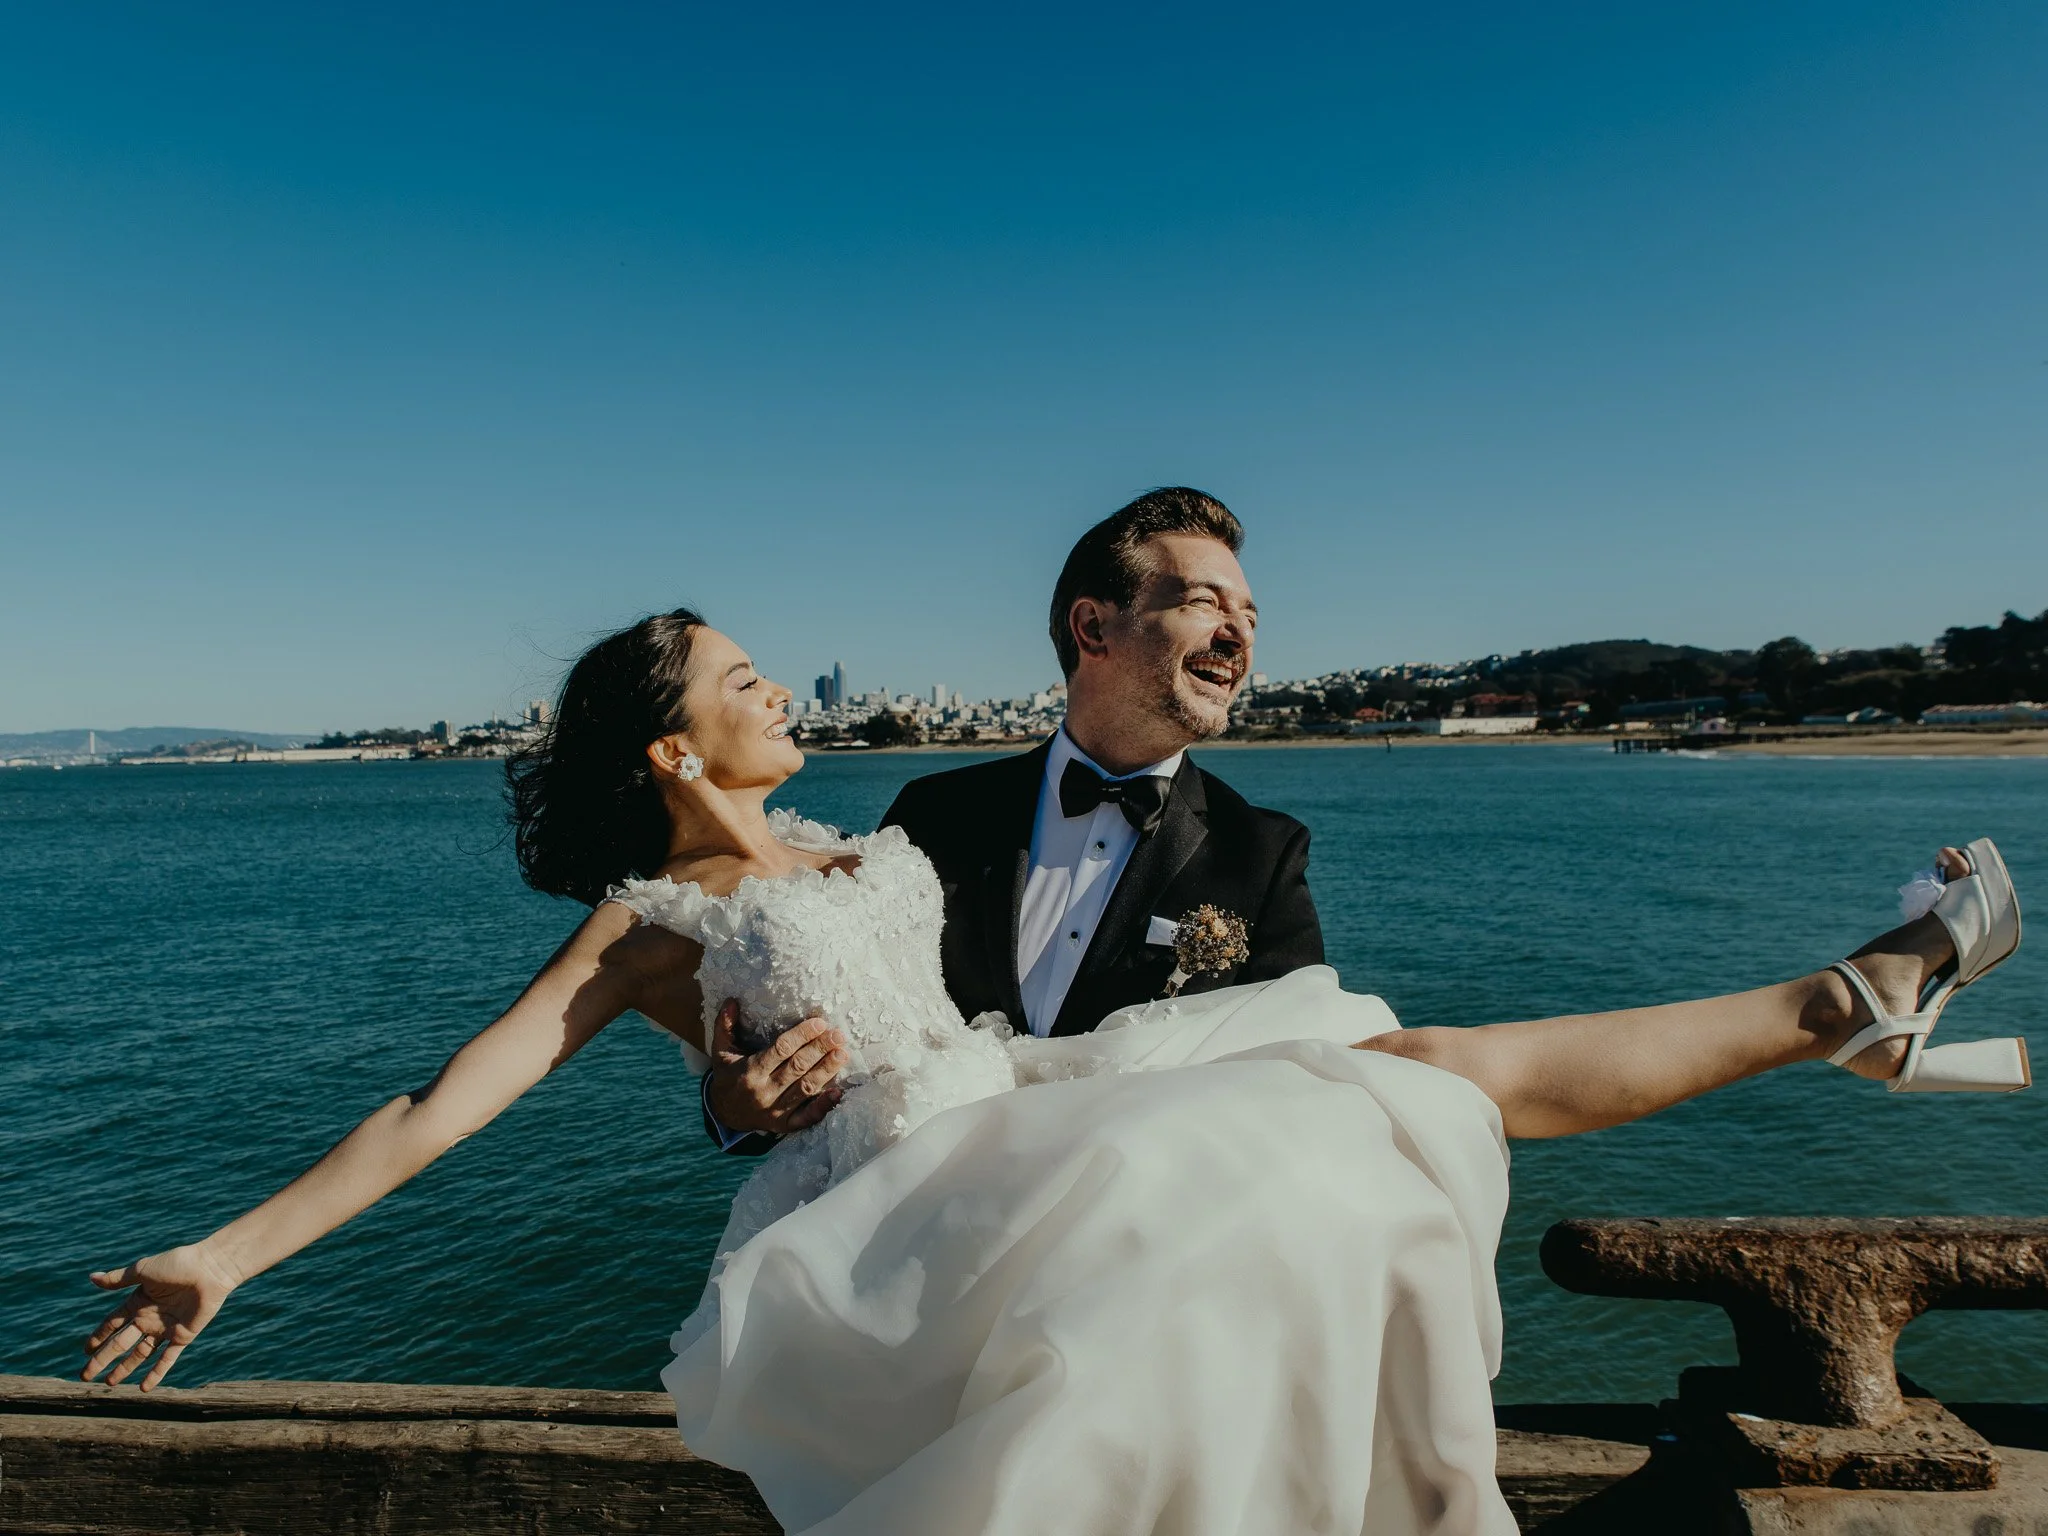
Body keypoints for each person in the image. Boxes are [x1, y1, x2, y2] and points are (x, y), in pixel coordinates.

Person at [81, 606, 2025, 1536]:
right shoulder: (639, 926)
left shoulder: (869, 837)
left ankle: (1847, 1002)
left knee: (1404, 1068)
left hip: (1015, 1118)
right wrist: (228, 1259)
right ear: (672, 752)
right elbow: (445, 1100)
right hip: (906, 1214)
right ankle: (1859, 1005)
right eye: (737, 676)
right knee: (1352, 1122)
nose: (775, 685)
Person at [698, 488, 1325, 1154]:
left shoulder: (1263, 853)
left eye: (1250, 616)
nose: (1239, 634)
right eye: (1204, 603)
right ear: (1092, 628)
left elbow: (1301, 1087)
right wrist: (734, 1108)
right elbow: (832, 1037)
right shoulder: (933, 815)